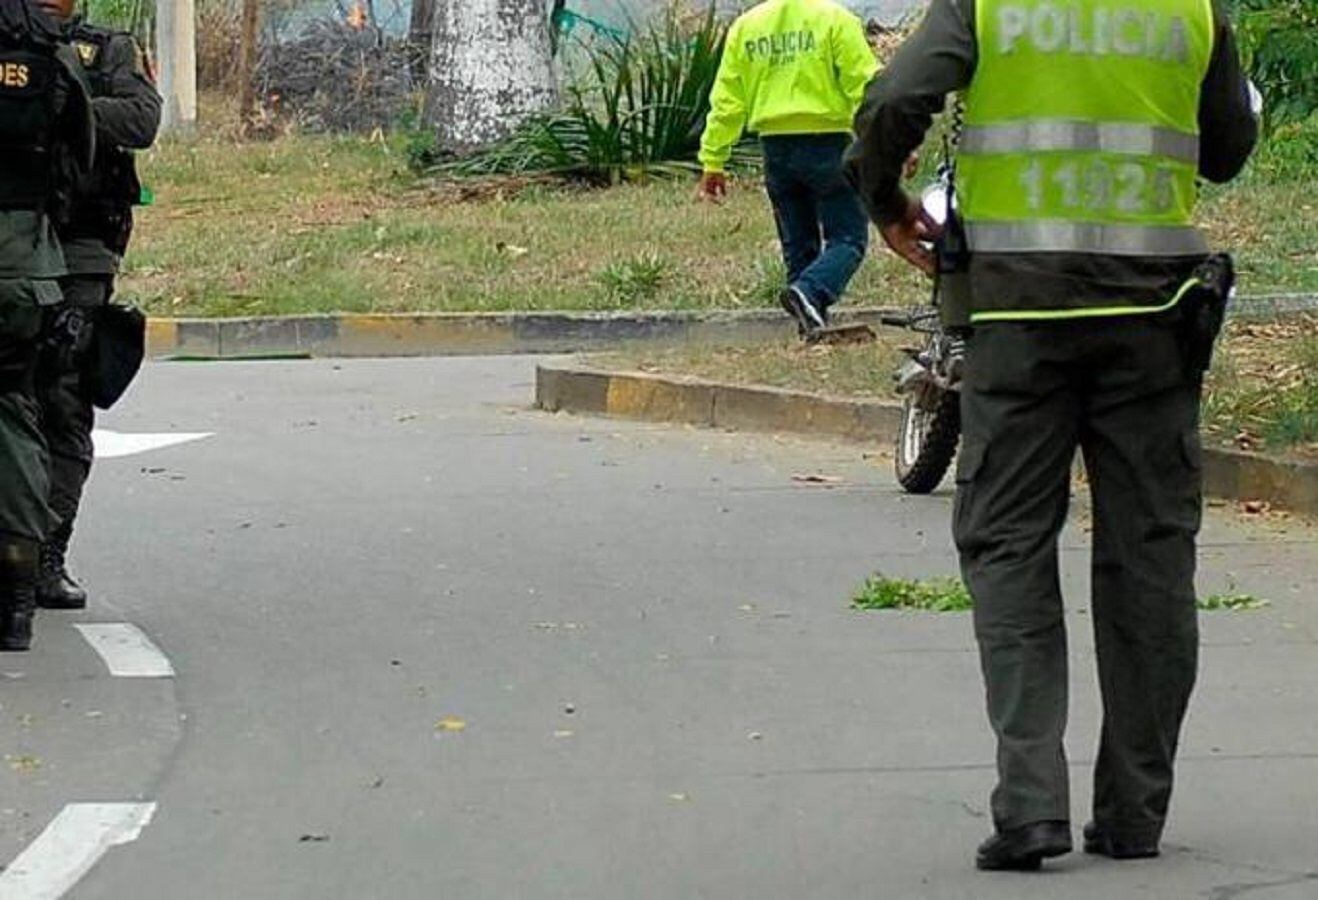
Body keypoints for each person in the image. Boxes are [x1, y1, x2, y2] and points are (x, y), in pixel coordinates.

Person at [846, 0, 1258, 871]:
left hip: (1017, 317)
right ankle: (1134, 814)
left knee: (1008, 544)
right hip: (1155, 318)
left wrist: (883, 199)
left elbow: (894, 103)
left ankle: (1031, 805)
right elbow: (1225, 149)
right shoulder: (1194, 5)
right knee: (1150, 554)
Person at [33, 0, 160, 611]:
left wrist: (66, 109)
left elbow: (140, 119)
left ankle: (43, 556)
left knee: (63, 400)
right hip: (15, 240)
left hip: (79, 247)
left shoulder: (106, 49)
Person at [0, 0, 94, 651]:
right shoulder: (49, 50)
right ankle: (17, 599)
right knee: (14, 416)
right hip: (24, 266)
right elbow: (82, 151)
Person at [697, 0, 877, 337]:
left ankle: (808, 321)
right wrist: (886, 138)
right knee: (849, 237)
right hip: (827, 142)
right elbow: (864, 87)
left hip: (775, 149)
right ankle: (811, 293)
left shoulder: (747, 27)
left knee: (798, 242)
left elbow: (727, 101)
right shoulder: (835, 19)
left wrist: (713, 159)